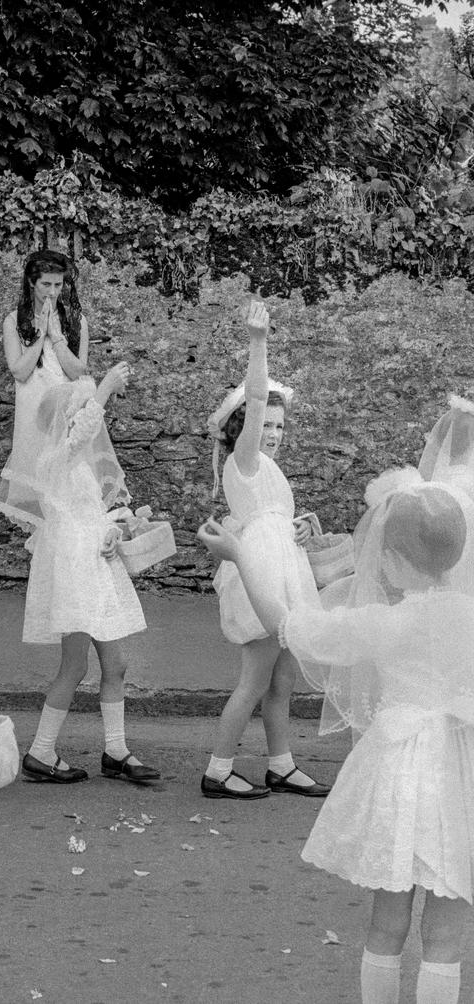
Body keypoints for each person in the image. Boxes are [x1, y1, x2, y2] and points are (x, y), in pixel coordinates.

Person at [198, 469, 474, 1004]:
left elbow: (287, 625)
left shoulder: (386, 623)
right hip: (464, 775)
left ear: (390, 560)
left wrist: (241, 556)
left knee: (387, 925)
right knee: (447, 937)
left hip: (401, 772)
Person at [201, 299, 328, 800]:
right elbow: (256, 398)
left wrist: (299, 525)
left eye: (279, 426)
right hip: (259, 575)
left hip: (281, 568)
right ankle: (217, 771)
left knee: (281, 680)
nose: (272, 433)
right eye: (264, 425)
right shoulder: (245, 457)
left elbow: (269, 518)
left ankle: (281, 764)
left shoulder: (268, 471)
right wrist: (259, 343)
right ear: (242, 429)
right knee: (255, 680)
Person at [19, 365, 159, 784]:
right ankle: (41, 751)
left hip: (95, 564)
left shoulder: (77, 464)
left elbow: (88, 513)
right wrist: (103, 391)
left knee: (115, 665)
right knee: (74, 666)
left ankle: (115, 750)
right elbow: (81, 435)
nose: (89, 419)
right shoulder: (53, 457)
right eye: (80, 411)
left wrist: (113, 530)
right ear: (66, 419)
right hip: (75, 571)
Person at [0, 249, 102, 531]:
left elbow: (78, 371)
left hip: (65, 414)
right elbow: (19, 371)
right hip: (33, 413)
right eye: (47, 284)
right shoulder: (13, 321)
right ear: (32, 282)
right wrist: (40, 333)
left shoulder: (77, 321)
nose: (53, 292)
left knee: (69, 485)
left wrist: (56, 337)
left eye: (59, 285)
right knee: (41, 492)